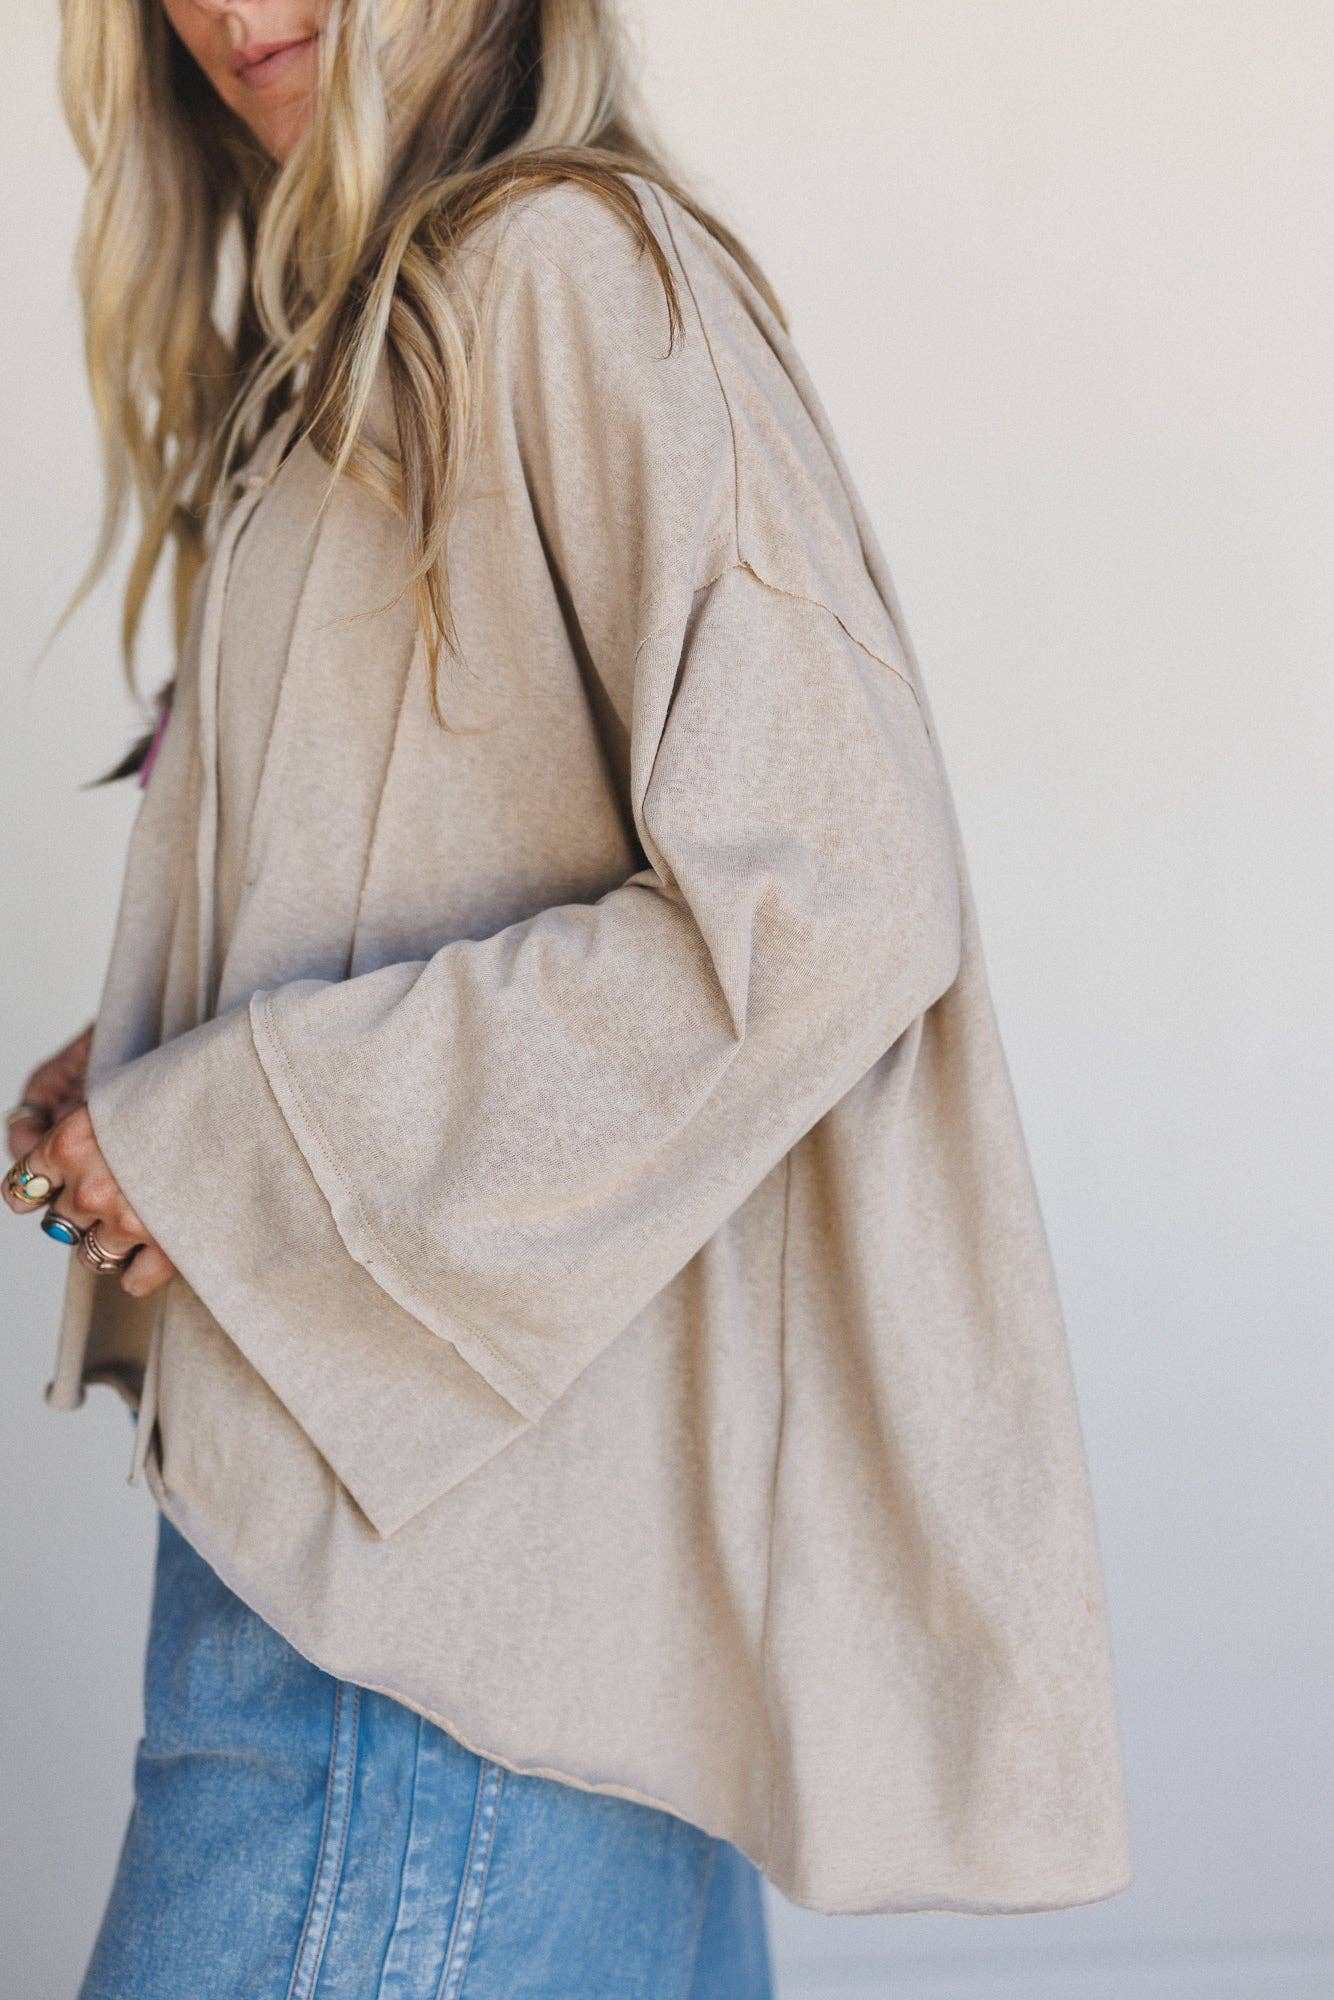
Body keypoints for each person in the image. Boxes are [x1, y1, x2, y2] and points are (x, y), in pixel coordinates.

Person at [6, 1, 1133, 1993]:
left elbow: (830, 898)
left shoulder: (552, 271)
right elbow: (462, 856)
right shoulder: (380, 322)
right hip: (515, 1612)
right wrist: (174, 1058)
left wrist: (243, 1136)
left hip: (412, 1666)